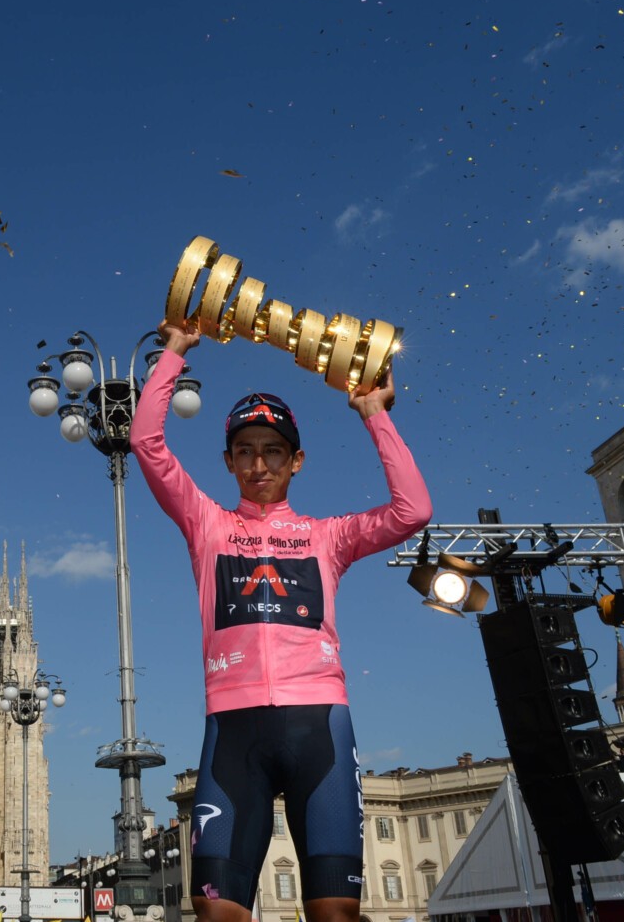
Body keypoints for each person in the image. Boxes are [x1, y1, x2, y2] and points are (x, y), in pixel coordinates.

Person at [132, 319, 433, 922]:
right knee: (217, 912)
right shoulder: (208, 525)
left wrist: (374, 412)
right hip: (233, 731)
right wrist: (173, 354)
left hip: (319, 725)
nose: (259, 463)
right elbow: (147, 444)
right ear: (228, 461)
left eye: (272, 451)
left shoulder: (329, 536)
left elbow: (413, 510)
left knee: (335, 914)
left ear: (296, 460)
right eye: (245, 451)